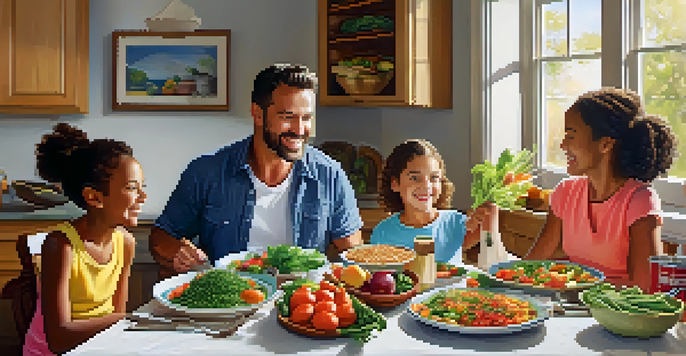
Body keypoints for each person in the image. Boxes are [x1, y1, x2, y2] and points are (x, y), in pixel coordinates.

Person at [149, 64, 364, 276]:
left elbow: (353, 255)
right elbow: (160, 237)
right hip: (228, 303)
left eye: (306, 117)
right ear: (257, 114)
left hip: (301, 303)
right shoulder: (207, 173)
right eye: (287, 117)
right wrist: (177, 252)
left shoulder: (330, 175)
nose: (299, 130)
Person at [525, 88, 676, 291]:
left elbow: (645, 288)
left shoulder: (639, 200)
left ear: (605, 144)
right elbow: (529, 266)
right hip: (573, 309)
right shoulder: (565, 193)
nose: (563, 145)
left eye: (571, 135)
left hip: (620, 316)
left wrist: (573, 285)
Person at [23, 123, 145, 355]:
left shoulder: (125, 243)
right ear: (93, 197)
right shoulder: (61, 246)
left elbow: (116, 318)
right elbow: (58, 339)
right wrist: (129, 320)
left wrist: (125, 322)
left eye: (142, 187)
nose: (143, 196)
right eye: (131, 188)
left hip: (96, 348)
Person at [370, 139, 496, 265]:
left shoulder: (456, 223)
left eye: (434, 178)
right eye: (415, 178)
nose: (426, 186)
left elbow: (489, 244)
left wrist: (486, 212)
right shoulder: (382, 232)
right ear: (395, 183)